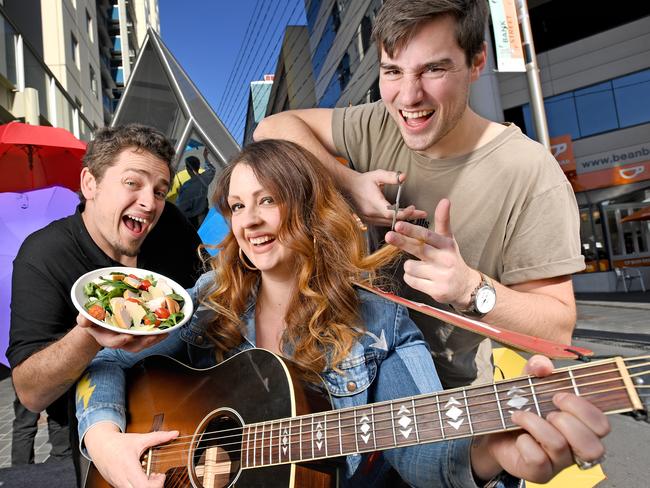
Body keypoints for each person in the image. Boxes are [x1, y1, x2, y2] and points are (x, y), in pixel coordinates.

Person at [75, 140, 608, 488]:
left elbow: (420, 453)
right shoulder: (214, 294)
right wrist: (103, 441)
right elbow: (112, 360)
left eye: (268, 201)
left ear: (307, 205)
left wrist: (490, 454)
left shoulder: (379, 322)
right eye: (238, 207)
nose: (250, 222)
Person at [254, 0, 585, 388]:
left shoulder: (529, 172)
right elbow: (273, 126)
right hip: (346, 374)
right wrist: (349, 182)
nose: (408, 98)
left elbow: (557, 331)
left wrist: (469, 289)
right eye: (392, 71)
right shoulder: (379, 121)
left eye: (434, 69)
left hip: (444, 391)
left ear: (477, 62)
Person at [7, 124, 204, 481]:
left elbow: (207, 305)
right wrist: (89, 335)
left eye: (160, 191)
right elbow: (30, 392)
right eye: (133, 182)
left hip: (194, 413)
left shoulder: (172, 226)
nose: (150, 202)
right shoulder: (44, 255)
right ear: (90, 184)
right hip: (98, 438)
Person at [175, 153, 216, 229]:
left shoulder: (187, 187)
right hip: (204, 213)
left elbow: (180, 209)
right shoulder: (205, 178)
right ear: (198, 166)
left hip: (194, 220)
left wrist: (180, 193)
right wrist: (205, 157)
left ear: (188, 169)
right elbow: (212, 170)